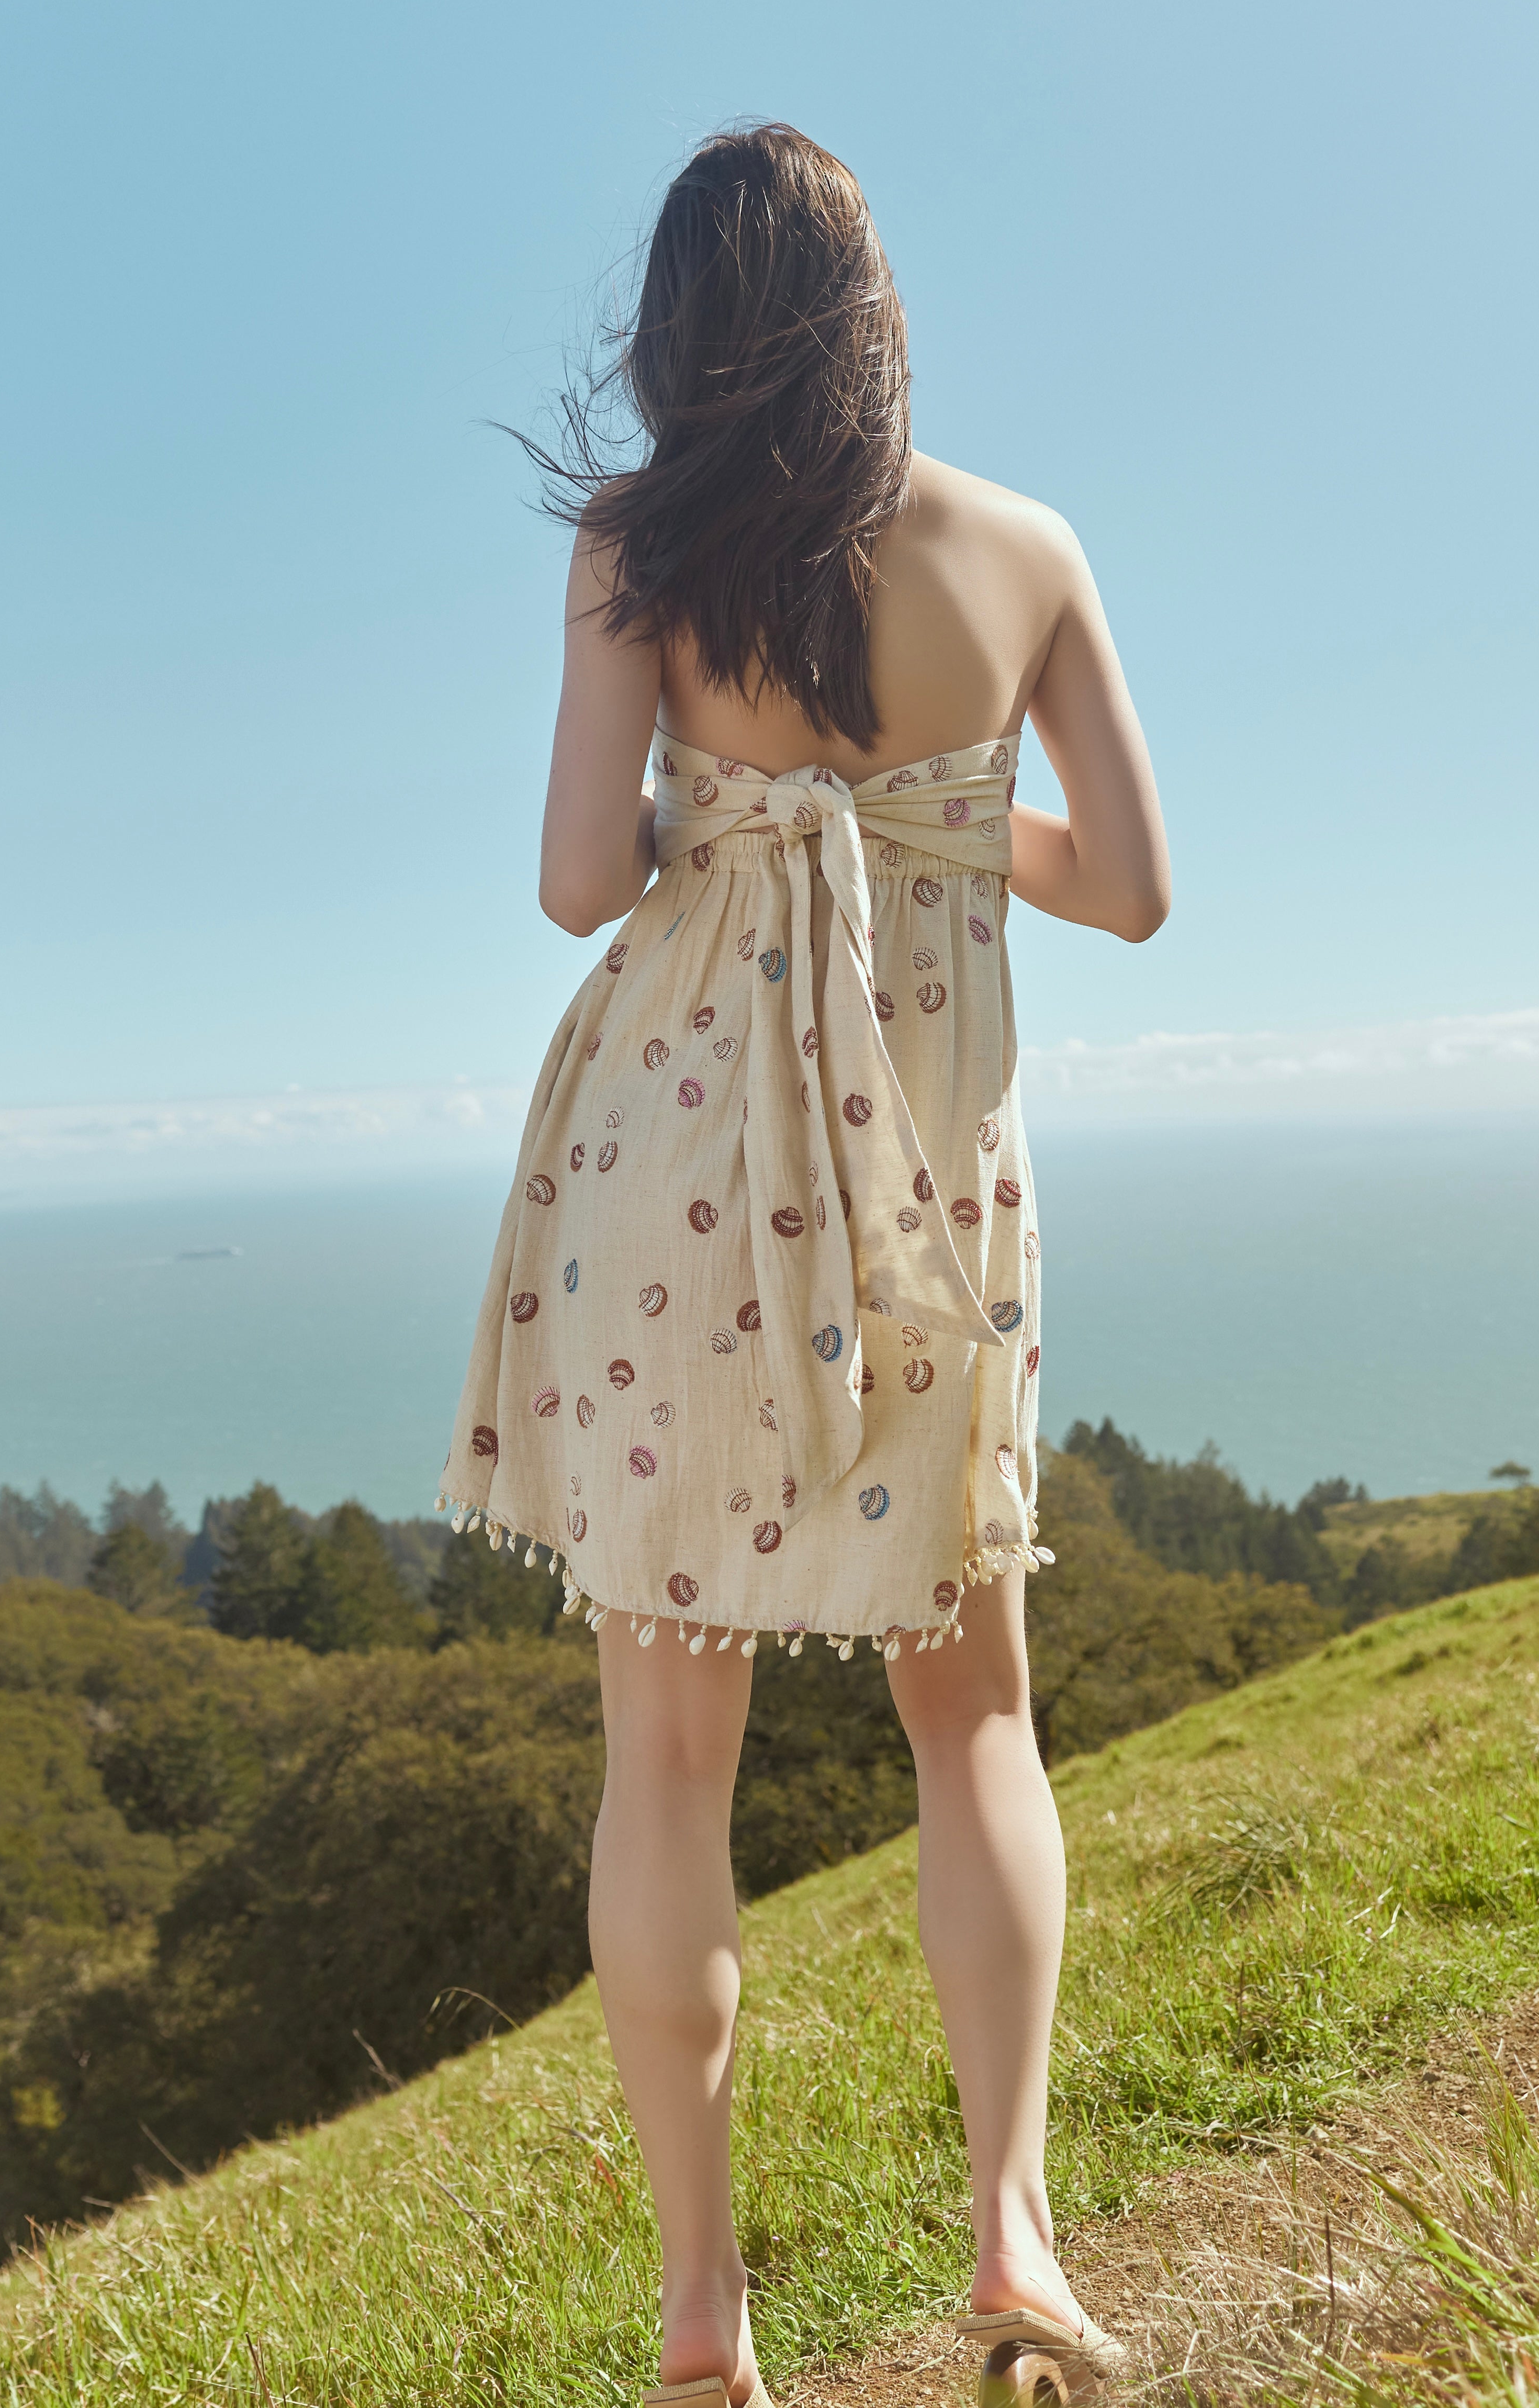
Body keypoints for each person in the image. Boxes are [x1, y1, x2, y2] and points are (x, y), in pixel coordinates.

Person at [439, 125, 1169, 2407]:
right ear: (877, 307)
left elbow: (577, 880)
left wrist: (739, 812)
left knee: (665, 1753)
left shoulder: (639, 556)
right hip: (922, 1183)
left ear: (675, 331)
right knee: (980, 1722)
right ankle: (1017, 2238)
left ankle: (699, 2318)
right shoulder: (1027, 549)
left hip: (680, 1172)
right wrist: (936, 821)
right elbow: (1131, 885)